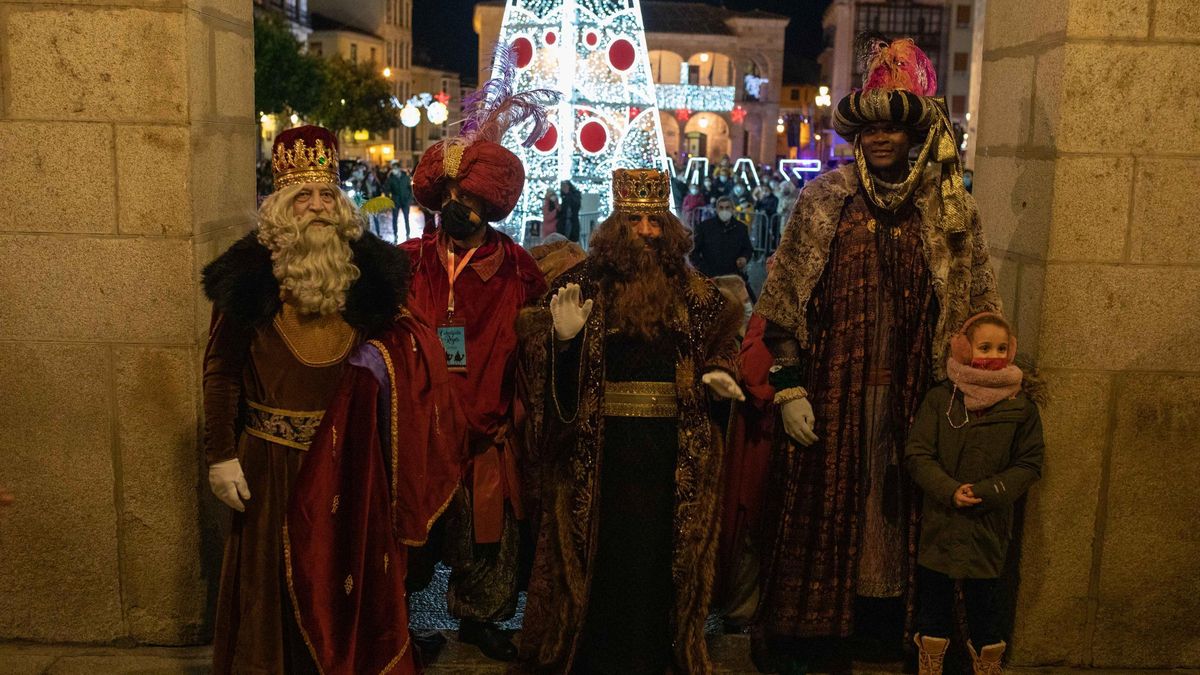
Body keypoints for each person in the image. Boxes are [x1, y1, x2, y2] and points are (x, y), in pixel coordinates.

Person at [753, 35, 1002, 670]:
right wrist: (789, 385)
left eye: (893, 127)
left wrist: (976, 389)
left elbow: (978, 304)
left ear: (913, 134)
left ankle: (897, 630)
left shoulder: (949, 210)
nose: (880, 138)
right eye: (870, 127)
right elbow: (785, 301)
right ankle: (818, 636)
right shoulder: (824, 202)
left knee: (903, 515)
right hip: (836, 392)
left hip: (920, 396)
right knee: (832, 512)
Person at [201, 125, 412, 674]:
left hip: (348, 468)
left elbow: (403, 363)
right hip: (270, 467)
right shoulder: (246, 277)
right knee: (273, 596)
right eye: (302, 197)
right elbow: (221, 370)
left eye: (325, 195)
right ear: (280, 206)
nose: (316, 207)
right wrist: (220, 454)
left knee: (341, 591)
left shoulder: (373, 278)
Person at [518, 168, 745, 674]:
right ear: (616, 225)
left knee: (659, 556)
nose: (646, 230)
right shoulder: (582, 283)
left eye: (654, 220)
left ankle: (654, 655)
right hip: (601, 451)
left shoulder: (694, 291)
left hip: (669, 449)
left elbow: (722, 343)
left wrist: (718, 374)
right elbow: (538, 358)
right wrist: (564, 342)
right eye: (635, 220)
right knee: (605, 556)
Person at [402, 71, 554, 662]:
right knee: (410, 524)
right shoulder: (410, 261)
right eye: (448, 200)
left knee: (489, 528)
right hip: (421, 421)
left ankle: (481, 617)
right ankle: (399, 617)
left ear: (489, 204)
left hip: (487, 421)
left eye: (468, 201)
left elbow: (537, 333)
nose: (456, 209)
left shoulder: (517, 267)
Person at [905, 313, 1044, 675]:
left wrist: (989, 491)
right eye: (985, 347)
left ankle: (987, 665)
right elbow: (918, 454)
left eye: (1002, 348)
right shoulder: (941, 399)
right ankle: (930, 661)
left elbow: (1028, 463)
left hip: (989, 526)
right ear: (965, 350)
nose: (994, 355)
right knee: (933, 603)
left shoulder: (1021, 407)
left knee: (987, 607)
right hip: (942, 523)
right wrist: (949, 490)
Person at [691, 196, 754, 293]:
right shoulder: (705, 227)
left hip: (733, 276)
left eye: (727, 207)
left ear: (733, 209)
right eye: (721, 208)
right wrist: (703, 269)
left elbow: (748, 249)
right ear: (716, 209)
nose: (724, 210)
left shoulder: (741, 228)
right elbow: (694, 251)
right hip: (710, 277)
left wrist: (744, 258)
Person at [387, 161, 414, 240]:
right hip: (395, 202)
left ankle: (408, 234)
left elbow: (410, 189)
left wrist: (409, 199)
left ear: (398, 169)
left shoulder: (405, 177)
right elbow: (386, 189)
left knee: (406, 218)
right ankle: (395, 234)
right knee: (394, 219)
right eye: (393, 168)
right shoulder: (391, 179)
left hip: (405, 202)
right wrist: (390, 199)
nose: (394, 170)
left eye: (395, 168)